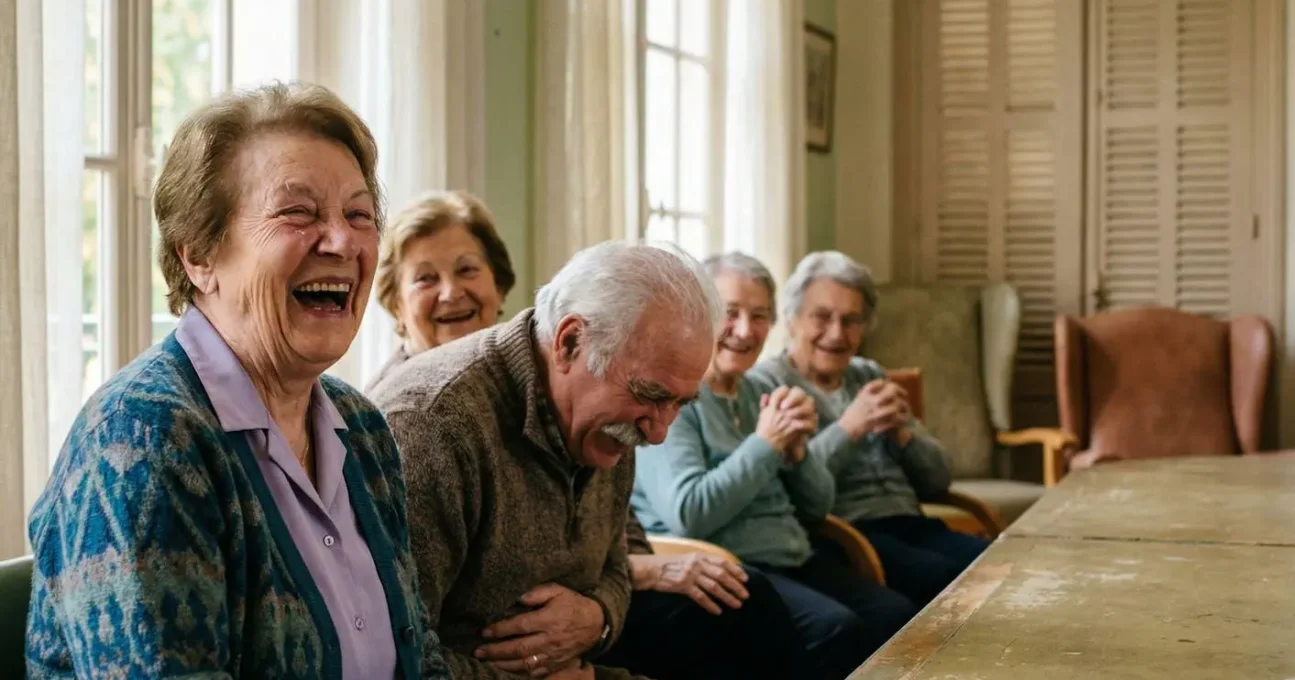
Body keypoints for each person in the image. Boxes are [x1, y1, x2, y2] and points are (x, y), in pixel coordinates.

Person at [25, 83, 450, 679]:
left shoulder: (363, 429)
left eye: (358, 214)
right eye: (298, 213)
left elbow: (420, 658)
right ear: (199, 255)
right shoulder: (141, 441)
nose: (343, 241)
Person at [367, 210, 810, 679]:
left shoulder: (613, 402)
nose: (658, 433)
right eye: (652, 397)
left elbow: (617, 565)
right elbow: (391, 658)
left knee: (751, 609)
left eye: (680, 403)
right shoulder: (430, 427)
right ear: (569, 341)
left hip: (579, 664)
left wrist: (599, 618)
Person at [631, 252, 919, 679]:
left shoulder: (755, 391)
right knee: (834, 630)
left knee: (898, 616)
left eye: (760, 316)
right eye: (730, 313)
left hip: (791, 555)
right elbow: (688, 513)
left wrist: (798, 453)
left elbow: (817, 506)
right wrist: (766, 444)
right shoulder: (675, 397)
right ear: (699, 313)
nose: (745, 331)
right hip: (728, 566)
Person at [752, 251, 989, 607]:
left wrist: (904, 436)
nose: (837, 333)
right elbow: (786, 488)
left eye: (851, 320)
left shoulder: (868, 374)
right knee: (948, 581)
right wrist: (850, 427)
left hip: (910, 521)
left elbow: (938, 479)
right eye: (822, 317)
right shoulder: (768, 385)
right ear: (791, 319)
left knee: (1000, 564)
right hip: (845, 533)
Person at [364, 190, 516, 393]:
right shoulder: (394, 406)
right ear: (396, 303)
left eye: (466, 269)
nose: (451, 294)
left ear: (498, 283)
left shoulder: (524, 375)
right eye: (425, 278)